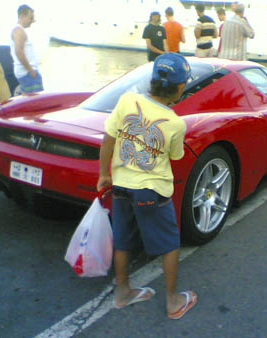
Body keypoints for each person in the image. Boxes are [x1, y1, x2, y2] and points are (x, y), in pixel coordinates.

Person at [97, 53, 197, 320]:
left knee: (123, 241)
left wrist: (103, 175)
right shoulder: (175, 123)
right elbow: (175, 157)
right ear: (179, 87)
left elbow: (108, 140)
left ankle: (123, 293)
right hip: (151, 192)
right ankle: (173, 301)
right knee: (169, 244)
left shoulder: (127, 100)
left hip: (120, 186)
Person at [11, 4, 43, 93]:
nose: (33, 21)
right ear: (22, 16)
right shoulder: (18, 31)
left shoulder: (20, 30)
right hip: (27, 73)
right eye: (31, 18)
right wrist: (30, 70)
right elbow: (19, 51)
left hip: (28, 72)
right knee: (36, 101)